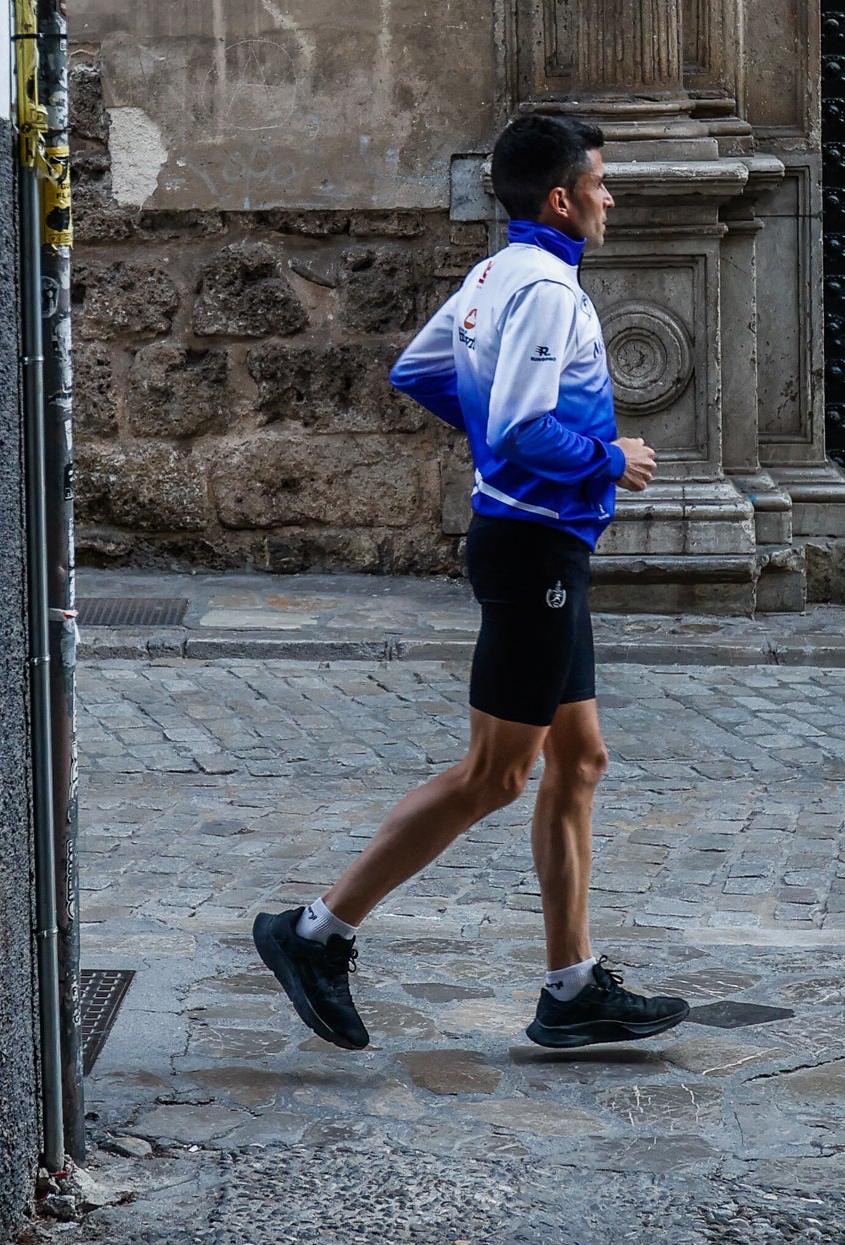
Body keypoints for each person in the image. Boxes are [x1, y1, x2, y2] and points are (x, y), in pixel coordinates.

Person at [252, 111, 692, 1055]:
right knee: (497, 774)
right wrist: (606, 458)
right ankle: (312, 933)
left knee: (580, 762)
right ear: (563, 198)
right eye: (601, 183)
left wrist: (498, 436)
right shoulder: (546, 290)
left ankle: (572, 988)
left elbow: (417, 370)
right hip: (532, 546)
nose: (611, 198)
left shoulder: (493, 276)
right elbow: (530, 429)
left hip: (540, 545)